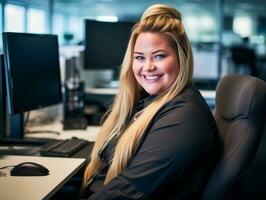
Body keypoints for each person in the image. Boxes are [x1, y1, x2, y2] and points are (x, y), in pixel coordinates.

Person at [81, 4, 221, 200]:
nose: (148, 67)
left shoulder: (183, 118)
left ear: (182, 57)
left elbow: (125, 192)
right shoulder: (152, 102)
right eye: (139, 57)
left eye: (159, 56)